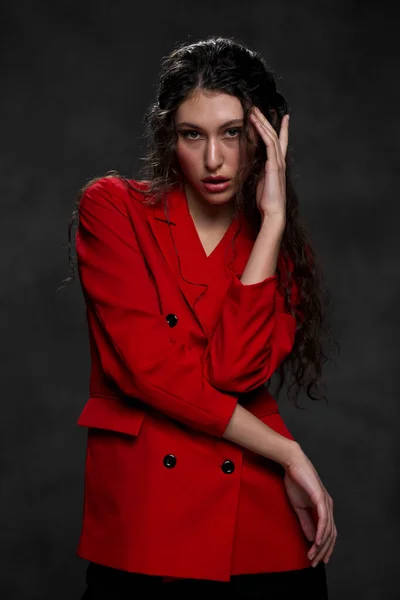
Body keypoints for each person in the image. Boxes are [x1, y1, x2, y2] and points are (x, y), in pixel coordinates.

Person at [62, 35, 338, 599]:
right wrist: (287, 450)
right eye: (194, 135)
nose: (214, 160)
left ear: (265, 139)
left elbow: (233, 374)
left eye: (232, 134)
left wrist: (273, 223)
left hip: (262, 537)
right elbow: (151, 373)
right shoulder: (113, 210)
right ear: (171, 138)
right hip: (146, 534)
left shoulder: (282, 253)